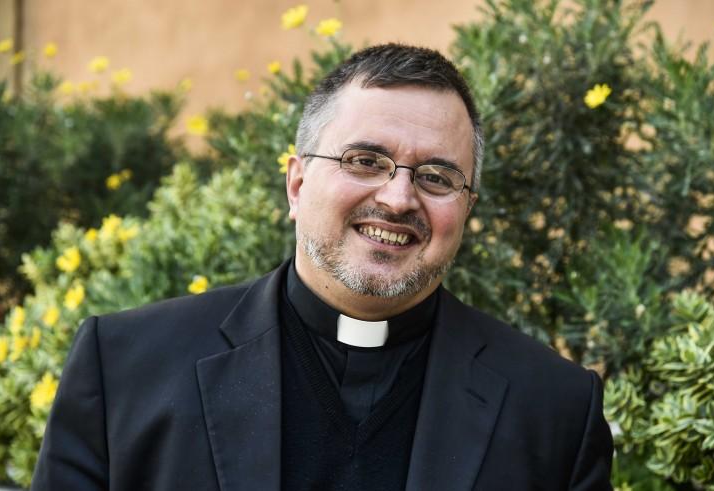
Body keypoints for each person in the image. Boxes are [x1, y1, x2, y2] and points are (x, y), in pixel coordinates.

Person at [32, 44, 613, 490]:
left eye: (437, 177)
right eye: (365, 160)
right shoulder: (125, 369)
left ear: (466, 210)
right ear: (297, 184)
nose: (398, 199)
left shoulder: (554, 407)